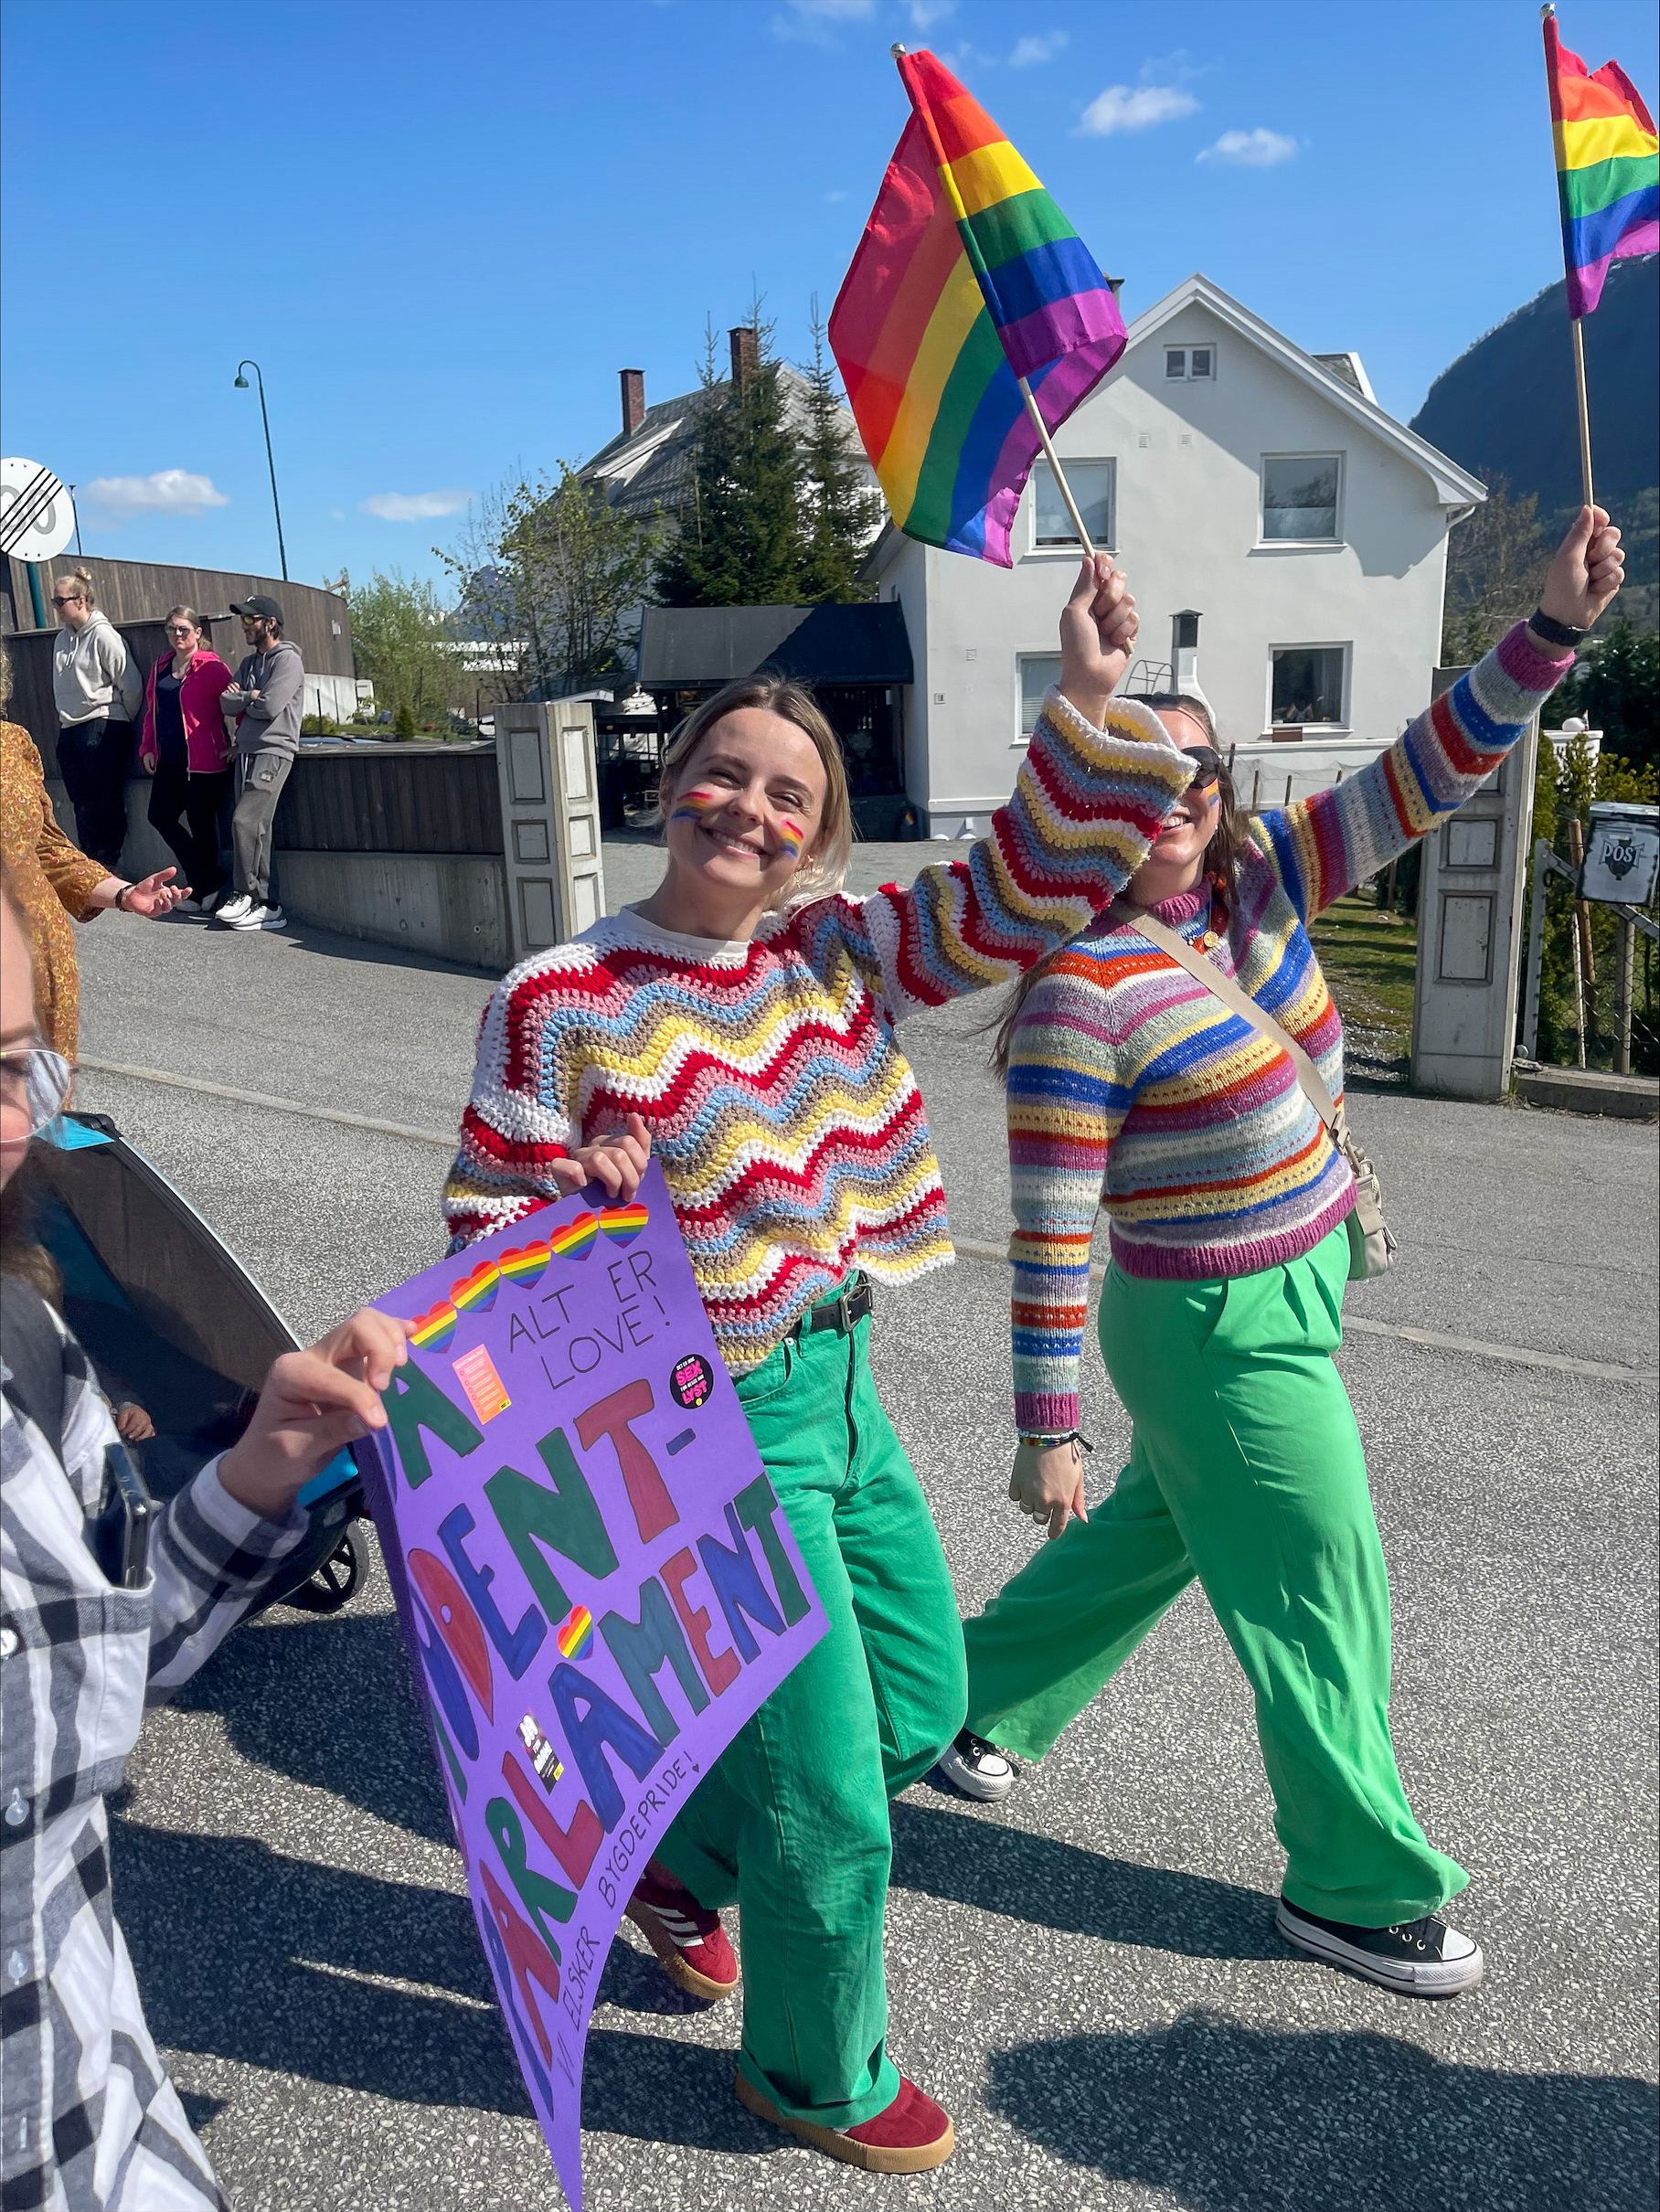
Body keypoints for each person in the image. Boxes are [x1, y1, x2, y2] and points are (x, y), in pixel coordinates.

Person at [445, 555, 1199, 2171]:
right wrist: (553, 1205)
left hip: (844, 1388)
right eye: (723, 770)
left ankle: (677, 1861)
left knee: (925, 1704)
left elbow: (1011, 899)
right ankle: (812, 2070)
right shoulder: (557, 999)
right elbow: (477, 1225)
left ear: (818, 829)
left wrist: (1079, 699)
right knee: (835, 1797)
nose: (748, 807)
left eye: (789, 793)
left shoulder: (831, 959)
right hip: (710, 1423)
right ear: (672, 780)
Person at [939, 507, 1625, 2001]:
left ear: (1220, 791)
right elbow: (1051, 1226)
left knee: (1162, 1535)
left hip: (1296, 1281)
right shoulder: (1080, 990)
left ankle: (963, 1701)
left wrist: (1550, 632)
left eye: (1194, 766)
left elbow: (1425, 768)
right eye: (1135, 762)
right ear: (1091, 795)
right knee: (1322, 1581)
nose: (1171, 788)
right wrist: (1042, 1427)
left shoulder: (1265, 889)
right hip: (1207, 1329)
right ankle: (1353, 1882)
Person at [0, 856, 410, 2211]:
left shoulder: (31, 1350)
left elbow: (115, 1653)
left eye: (12, 1066)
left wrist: (257, 1472)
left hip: (104, 2130)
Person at [2, 652, 189, 1060]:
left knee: (42, 1111)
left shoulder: (13, 744)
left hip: (40, 966)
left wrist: (125, 894)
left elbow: (48, 850)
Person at [217, 594, 303, 932]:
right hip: (246, 751)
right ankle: (267, 905)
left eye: (250, 620)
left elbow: (270, 707)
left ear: (270, 623)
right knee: (259, 830)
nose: (244, 626)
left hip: (273, 751)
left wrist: (248, 698)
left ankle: (244, 893)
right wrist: (249, 696)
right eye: (243, 620)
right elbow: (225, 702)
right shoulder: (251, 662)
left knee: (244, 821)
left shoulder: (288, 661)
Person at [139, 606, 235, 912]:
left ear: (197, 633)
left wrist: (240, 743)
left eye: (183, 629)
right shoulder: (161, 667)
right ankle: (209, 880)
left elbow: (237, 704)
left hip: (204, 761)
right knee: (160, 816)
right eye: (171, 629)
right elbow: (151, 711)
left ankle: (200, 889)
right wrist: (147, 747)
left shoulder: (211, 668)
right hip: (170, 759)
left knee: (202, 826)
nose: (177, 635)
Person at [50, 568, 144, 870]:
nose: (57, 607)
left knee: (106, 796)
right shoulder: (61, 641)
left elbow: (130, 683)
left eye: (60, 601)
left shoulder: (103, 635)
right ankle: (91, 858)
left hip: (103, 722)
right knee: (81, 798)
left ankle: (110, 859)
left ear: (80, 600)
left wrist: (120, 720)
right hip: (70, 726)